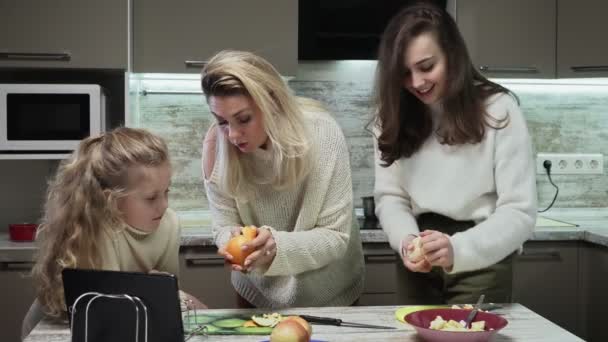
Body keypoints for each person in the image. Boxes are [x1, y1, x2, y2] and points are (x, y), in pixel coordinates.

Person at [372, 2, 537, 305]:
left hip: (482, 257)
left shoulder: (499, 110)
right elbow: (391, 198)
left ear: (452, 54)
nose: (416, 83)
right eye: (404, 74)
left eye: (426, 67)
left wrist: (456, 249)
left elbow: (519, 212)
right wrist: (406, 241)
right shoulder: (392, 117)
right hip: (418, 255)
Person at [201, 50, 364, 308]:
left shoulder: (322, 134)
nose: (232, 134)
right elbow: (223, 226)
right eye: (221, 121)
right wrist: (231, 240)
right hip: (256, 292)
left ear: (272, 103)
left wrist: (276, 247)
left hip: (331, 290)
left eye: (243, 119)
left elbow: (335, 238)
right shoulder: (215, 145)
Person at [22, 127, 205, 340]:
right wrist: (154, 288)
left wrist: (169, 293)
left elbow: (164, 292)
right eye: (151, 198)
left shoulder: (169, 223)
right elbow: (111, 308)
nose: (164, 205)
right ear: (111, 200)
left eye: (167, 192)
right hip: (54, 329)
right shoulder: (96, 229)